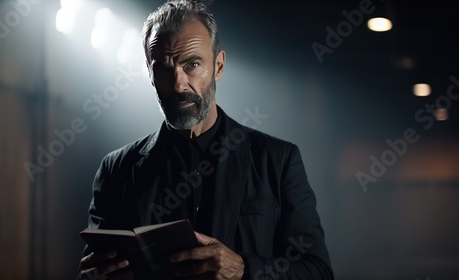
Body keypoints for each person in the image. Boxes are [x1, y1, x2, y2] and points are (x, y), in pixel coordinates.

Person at [77, 0, 333, 279]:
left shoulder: (278, 160)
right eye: (163, 68)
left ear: (219, 66)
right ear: (149, 74)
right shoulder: (116, 170)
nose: (178, 84)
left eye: (192, 64)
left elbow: (317, 271)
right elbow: (92, 270)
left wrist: (244, 269)